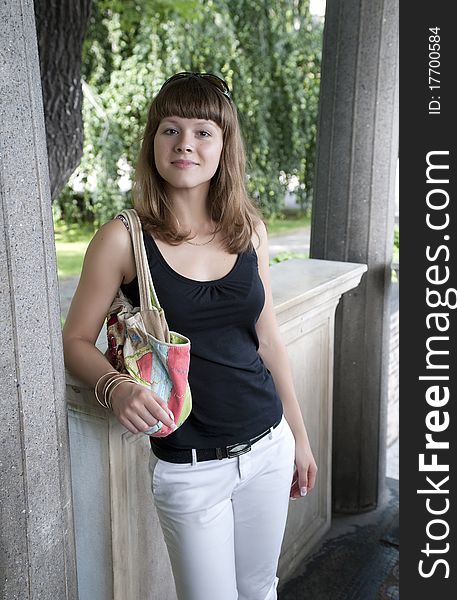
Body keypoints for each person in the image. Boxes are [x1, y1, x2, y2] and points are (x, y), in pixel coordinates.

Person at [62, 71, 317, 600]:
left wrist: (298, 436)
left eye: (204, 131)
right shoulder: (122, 239)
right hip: (190, 468)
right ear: (153, 141)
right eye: (170, 129)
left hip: (268, 445)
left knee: (260, 590)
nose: (185, 144)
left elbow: (267, 338)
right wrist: (116, 387)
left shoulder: (248, 228)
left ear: (224, 146)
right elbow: (76, 340)